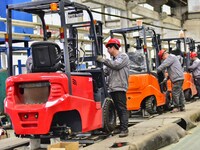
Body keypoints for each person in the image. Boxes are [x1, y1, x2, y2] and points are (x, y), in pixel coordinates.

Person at [96, 38, 130, 137]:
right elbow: (106, 71)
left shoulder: (123, 57)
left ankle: (125, 129)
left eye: (108, 48)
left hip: (119, 87)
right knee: (117, 109)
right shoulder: (112, 60)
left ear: (114, 47)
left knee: (122, 108)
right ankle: (121, 127)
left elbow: (116, 65)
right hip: (112, 88)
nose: (108, 50)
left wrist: (103, 60)